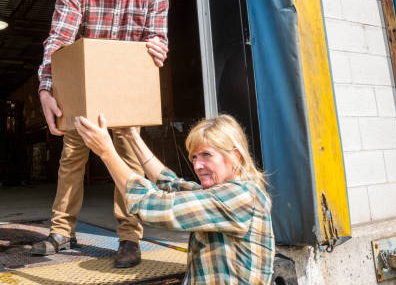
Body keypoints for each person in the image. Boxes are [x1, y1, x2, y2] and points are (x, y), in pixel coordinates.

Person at [32, 0, 169, 269]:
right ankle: (62, 231)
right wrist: (46, 88)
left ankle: (129, 237)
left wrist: (158, 47)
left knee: (128, 165)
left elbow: (157, 43)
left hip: (125, 95)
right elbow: (58, 42)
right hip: (85, 95)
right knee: (71, 160)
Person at [74, 114, 275, 284]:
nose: (197, 165)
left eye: (206, 155)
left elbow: (152, 205)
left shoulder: (240, 197)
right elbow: (171, 183)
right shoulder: (226, 192)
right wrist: (132, 137)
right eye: (195, 157)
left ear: (236, 156)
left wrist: (106, 152)